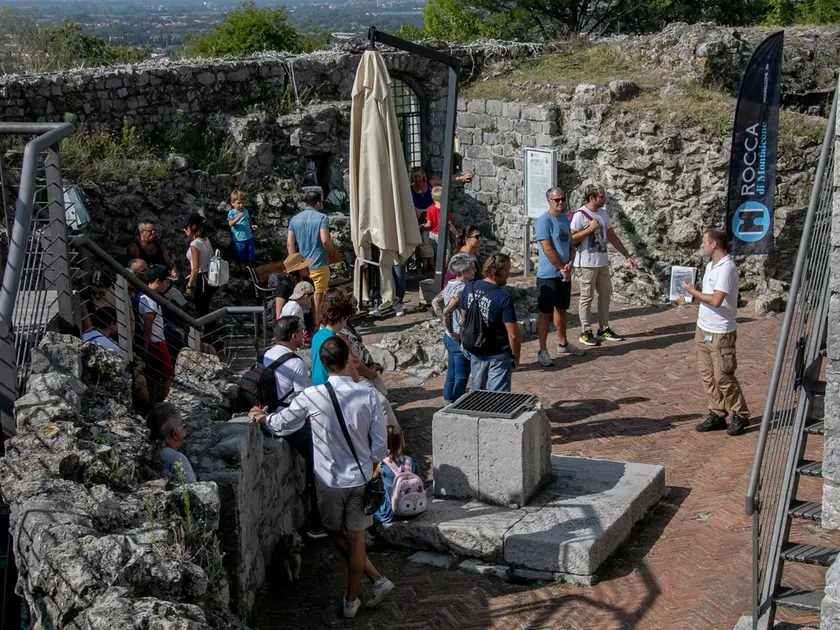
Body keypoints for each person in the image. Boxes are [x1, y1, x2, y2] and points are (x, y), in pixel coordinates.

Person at [250, 337, 394, 618]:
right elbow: (380, 448)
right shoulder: (368, 396)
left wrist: (261, 418)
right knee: (358, 540)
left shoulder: (312, 396)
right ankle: (356, 596)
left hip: (329, 480)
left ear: (323, 364)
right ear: (347, 359)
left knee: (332, 531)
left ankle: (367, 588)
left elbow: (281, 424)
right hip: (361, 477)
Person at [678, 228, 751, 436]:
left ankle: (741, 414)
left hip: (721, 332)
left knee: (723, 376)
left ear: (714, 245)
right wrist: (689, 299)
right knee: (707, 376)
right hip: (704, 328)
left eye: (704, 242)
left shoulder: (727, 269)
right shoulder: (710, 266)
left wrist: (693, 292)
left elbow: (717, 301)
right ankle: (717, 413)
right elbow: (707, 297)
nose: (702, 245)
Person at [263, 316, 326, 538]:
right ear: (293, 336)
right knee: (319, 463)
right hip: (291, 424)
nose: (304, 335)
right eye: (301, 331)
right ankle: (318, 523)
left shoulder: (268, 354)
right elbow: (303, 402)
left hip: (272, 416)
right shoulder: (296, 363)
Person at [570, 184, 637, 346]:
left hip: (602, 262)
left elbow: (612, 236)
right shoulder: (580, 215)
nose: (604, 199)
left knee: (605, 294)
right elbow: (572, 239)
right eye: (601, 196)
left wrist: (626, 255)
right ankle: (585, 331)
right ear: (592, 198)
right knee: (586, 298)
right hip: (586, 263)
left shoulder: (603, 214)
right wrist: (589, 229)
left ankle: (603, 328)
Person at [459, 253, 521, 392]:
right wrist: (516, 356)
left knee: (476, 391)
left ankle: (476, 412)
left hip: (475, 347)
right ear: (503, 271)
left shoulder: (470, 287)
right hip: (497, 351)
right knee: (499, 396)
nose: (509, 273)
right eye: (509, 270)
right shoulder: (503, 296)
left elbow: (463, 318)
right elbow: (513, 334)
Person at [536, 187, 584, 367]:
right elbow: (547, 248)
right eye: (556, 200)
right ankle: (542, 350)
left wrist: (570, 262)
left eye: (562, 199)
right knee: (545, 313)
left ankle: (562, 343)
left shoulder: (565, 219)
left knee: (562, 309)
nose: (560, 203)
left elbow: (571, 244)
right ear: (549, 200)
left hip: (564, 272)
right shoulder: (543, 221)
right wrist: (560, 267)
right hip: (548, 275)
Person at [287, 190, 339, 330]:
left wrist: (295, 265)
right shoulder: (322, 218)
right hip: (319, 263)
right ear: (318, 203)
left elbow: (290, 244)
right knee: (318, 298)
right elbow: (325, 241)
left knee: (303, 297)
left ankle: (304, 328)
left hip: (303, 267)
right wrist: (332, 252)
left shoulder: (294, 219)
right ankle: (316, 328)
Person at [433, 254, 475, 404]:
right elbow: (447, 311)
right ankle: (457, 405)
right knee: (461, 376)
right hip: (457, 337)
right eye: (472, 268)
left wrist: (446, 327)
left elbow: (435, 302)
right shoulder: (463, 289)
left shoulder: (450, 285)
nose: (475, 270)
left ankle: (447, 402)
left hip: (449, 337)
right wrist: (452, 330)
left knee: (451, 373)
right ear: (463, 271)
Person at [140, 265, 175, 402]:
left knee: (152, 376)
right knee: (169, 375)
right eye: (166, 282)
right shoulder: (150, 299)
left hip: (154, 341)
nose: (168, 285)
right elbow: (148, 325)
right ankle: (167, 402)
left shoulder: (145, 296)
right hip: (156, 341)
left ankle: (154, 402)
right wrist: (146, 346)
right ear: (158, 281)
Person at [372, 425, 418, 524]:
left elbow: (373, 479)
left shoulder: (382, 465)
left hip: (391, 512)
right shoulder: (411, 461)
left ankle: (374, 534)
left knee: (371, 512)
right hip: (414, 507)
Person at [311, 289, 356, 386]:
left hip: (317, 386)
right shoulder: (337, 341)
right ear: (341, 319)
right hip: (331, 387)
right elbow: (354, 377)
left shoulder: (317, 335)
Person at [147, 402, 196, 483]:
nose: (183, 427)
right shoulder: (178, 459)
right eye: (181, 424)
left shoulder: (149, 453)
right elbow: (191, 491)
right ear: (175, 433)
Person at [183, 213, 216, 318]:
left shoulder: (195, 244)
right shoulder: (205, 239)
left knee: (202, 310)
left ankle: (208, 333)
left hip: (201, 279)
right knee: (205, 307)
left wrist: (189, 286)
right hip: (208, 276)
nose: (184, 230)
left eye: (186, 227)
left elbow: (196, 268)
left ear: (192, 227)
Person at [274, 253, 313, 320]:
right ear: (296, 271)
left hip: (309, 324)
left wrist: (316, 323)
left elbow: (314, 304)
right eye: (304, 266)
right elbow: (279, 314)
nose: (307, 267)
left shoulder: (308, 282)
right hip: (293, 326)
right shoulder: (283, 286)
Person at [227, 189, 258, 272]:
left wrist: (252, 227)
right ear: (233, 203)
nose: (241, 205)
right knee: (241, 257)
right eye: (238, 203)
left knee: (250, 255)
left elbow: (247, 222)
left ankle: (249, 269)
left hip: (249, 237)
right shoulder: (232, 213)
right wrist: (238, 217)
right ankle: (244, 271)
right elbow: (230, 224)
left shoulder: (246, 211)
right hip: (239, 239)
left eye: (242, 203)